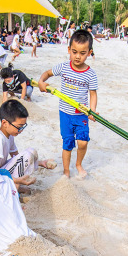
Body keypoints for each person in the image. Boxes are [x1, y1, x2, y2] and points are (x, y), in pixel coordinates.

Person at [37, 29, 98, 179]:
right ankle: (66, 171)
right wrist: (41, 81)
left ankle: (78, 164)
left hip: (81, 114)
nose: (78, 56)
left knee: (83, 142)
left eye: (82, 53)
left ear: (89, 53)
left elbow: (93, 94)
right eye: (74, 52)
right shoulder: (64, 67)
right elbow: (47, 73)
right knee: (68, 143)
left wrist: (93, 110)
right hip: (65, 113)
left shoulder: (90, 74)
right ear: (69, 49)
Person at [0, 100, 56, 188]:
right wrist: (15, 180)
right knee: (27, 155)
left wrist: (40, 163)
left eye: (23, 127)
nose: (21, 130)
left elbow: (16, 156)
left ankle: (14, 185)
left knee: (31, 151)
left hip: (2, 171)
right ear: (5, 123)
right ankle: (13, 189)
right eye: (18, 127)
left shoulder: (9, 135)